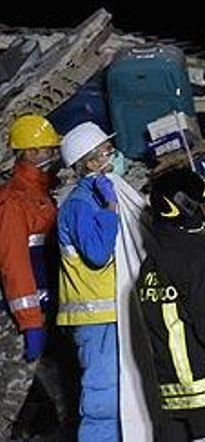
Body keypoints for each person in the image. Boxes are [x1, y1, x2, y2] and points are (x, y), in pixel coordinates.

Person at [137, 167, 205, 441]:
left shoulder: (150, 265)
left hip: (172, 396)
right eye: (202, 204)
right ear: (187, 208)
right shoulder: (201, 257)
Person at [57, 121, 125, 442]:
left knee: (117, 396)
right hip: (94, 318)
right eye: (107, 153)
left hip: (108, 315)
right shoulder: (79, 205)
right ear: (91, 162)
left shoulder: (92, 199)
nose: (112, 157)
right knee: (102, 400)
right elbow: (97, 254)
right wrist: (111, 208)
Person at [0, 115, 60, 438]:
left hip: (43, 310)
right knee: (9, 398)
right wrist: (30, 323)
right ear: (32, 152)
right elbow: (15, 265)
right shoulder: (13, 202)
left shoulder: (38, 194)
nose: (54, 153)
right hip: (18, 320)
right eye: (50, 148)